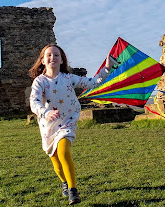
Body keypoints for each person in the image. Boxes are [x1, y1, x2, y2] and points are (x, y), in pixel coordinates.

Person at [29, 44, 113, 205]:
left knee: (64, 151)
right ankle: (64, 182)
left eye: (56, 55)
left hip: (67, 121)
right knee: (56, 162)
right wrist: (46, 113)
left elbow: (93, 83)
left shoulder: (69, 78)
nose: (52, 58)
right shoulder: (39, 82)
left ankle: (73, 191)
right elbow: (34, 102)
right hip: (48, 126)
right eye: (49, 55)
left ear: (62, 60)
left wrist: (107, 68)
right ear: (42, 60)